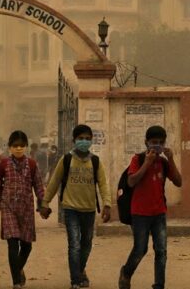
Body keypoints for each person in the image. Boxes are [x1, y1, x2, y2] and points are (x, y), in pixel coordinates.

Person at [41, 124, 112, 289]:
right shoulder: (66, 160)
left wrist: (107, 204)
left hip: (89, 209)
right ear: (74, 140)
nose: (84, 141)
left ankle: (79, 271)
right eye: (81, 139)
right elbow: (54, 182)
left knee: (86, 243)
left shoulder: (95, 161)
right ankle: (75, 280)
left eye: (87, 139)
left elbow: (103, 184)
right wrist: (45, 202)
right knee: (74, 244)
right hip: (70, 208)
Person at [0, 130, 47, 289]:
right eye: (15, 146)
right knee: (12, 243)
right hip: (8, 208)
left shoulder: (33, 164)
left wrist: (44, 204)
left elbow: (39, 187)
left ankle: (18, 269)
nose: (19, 148)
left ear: (26, 147)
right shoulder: (4, 163)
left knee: (27, 246)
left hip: (26, 209)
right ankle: (16, 282)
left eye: (22, 146)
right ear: (10, 147)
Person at [118, 125, 182, 289]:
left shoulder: (163, 163)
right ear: (146, 142)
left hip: (159, 213)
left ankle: (159, 284)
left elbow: (178, 181)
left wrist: (171, 159)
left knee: (161, 250)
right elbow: (131, 181)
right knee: (140, 249)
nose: (157, 146)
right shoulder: (137, 159)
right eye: (154, 142)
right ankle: (126, 272)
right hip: (139, 213)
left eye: (161, 142)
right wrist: (146, 163)